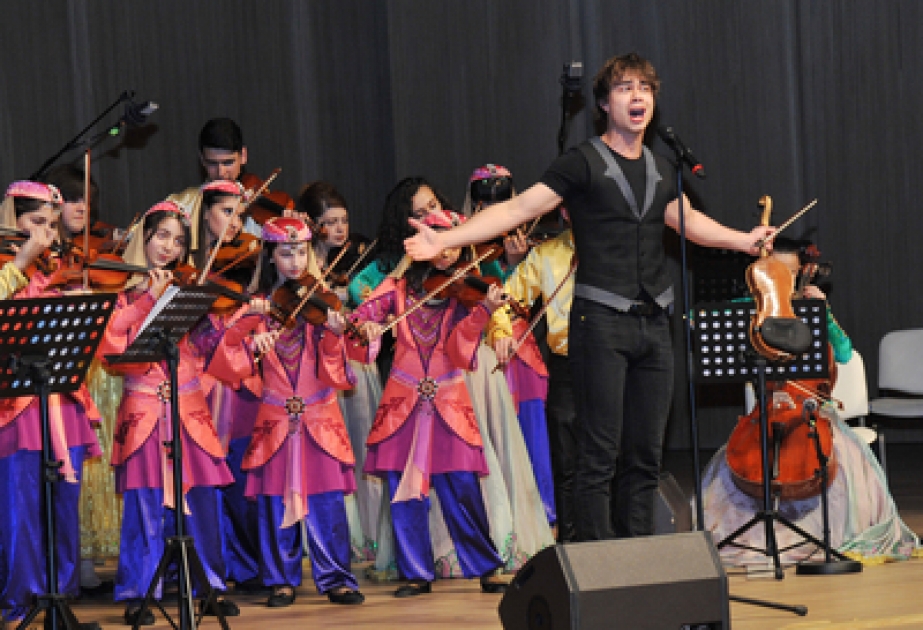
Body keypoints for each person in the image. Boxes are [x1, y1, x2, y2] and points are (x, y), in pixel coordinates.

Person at [405, 52, 773, 541]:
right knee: (598, 454)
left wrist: (743, 241)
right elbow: (517, 207)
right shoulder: (582, 162)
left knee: (645, 455)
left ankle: (639, 560)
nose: (637, 95)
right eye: (625, 87)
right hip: (601, 321)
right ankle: (599, 569)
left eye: (645, 87)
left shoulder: (664, 167)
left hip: (654, 323)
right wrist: (445, 241)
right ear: (604, 103)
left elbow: (691, 223)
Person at [703, 238, 920, 564]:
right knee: (729, 469)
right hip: (765, 415)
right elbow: (706, 322)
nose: (785, 282)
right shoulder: (755, 309)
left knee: (840, 461)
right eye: (776, 274)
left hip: (811, 414)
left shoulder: (811, 310)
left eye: (791, 274)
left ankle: (822, 534)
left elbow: (844, 353)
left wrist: (825, 314)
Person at [350, 210, 507, 597]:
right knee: (403, 492)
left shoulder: (464, 295)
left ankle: (485, 566)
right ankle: (417, 572)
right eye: (437, 239)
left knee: (463, 488)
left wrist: (484, 310)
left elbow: (458, 350)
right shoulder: (397, 288)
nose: (446, 252)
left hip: (449, 401)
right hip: (402, 402)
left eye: (452, 240)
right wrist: (367, 326)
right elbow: (361, 318)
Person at [209, 216, 364, 607]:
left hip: (319, 415)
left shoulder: (322, 300)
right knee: (273, 500)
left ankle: (336, 577)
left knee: (327, 500)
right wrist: (248, 327)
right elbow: (227, 359)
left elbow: (334, 372)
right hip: (275, 418)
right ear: (270, 254)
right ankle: (280, 578)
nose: (295, 261)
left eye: (300, 251)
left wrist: (333, 334)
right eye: (285, 252)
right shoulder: (258, 304)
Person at [99, 201, 238, 624]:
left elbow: (216, 350)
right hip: (143, 409)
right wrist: (147, 302)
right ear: (143, 237)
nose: (170, 248)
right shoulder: (121, 295)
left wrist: (241, 327)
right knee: (144, 504)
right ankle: (140, 591)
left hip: (189, 408)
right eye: (162, 236)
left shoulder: (188, 291)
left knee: (204, 498)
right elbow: (113, 352)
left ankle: (210, 584)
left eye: (179, 241)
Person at [0, 181, 101, 623]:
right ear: (11, 221)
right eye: (35, 223)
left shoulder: (50, 272)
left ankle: (58, 599)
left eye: (51, 225)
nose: (46, 234)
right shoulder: (11, 265)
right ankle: (19, 600)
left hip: (60, 401)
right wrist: (21, 261)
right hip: (15, 406)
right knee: (19, 507)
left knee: (62, 502)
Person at [43, 164, 123, 595]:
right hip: (54, 383)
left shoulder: (94, 249)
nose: (81, 208)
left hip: (90, 377)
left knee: (80, 478)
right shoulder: (42, 261)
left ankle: (75, 574)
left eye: (86, 201)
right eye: (72, 200)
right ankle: (59, 576)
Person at [298, 181, 382, 561]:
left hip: (354, 361)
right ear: (313, 225)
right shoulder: (299, 261)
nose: (339, 230)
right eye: (329, 222)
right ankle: (332, 538)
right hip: (315, 367)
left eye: (343, 221)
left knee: (362, 447)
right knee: (328, 452)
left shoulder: (360, 257)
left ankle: (370, 535)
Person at [489, 217, 576, 540]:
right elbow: (505, 299)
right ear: (565, 212)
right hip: (568, 360)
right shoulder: (547, 254)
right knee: (566, 458)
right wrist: (499, 327)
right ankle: (569, 541)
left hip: (615, 360)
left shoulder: (619, 244)